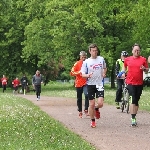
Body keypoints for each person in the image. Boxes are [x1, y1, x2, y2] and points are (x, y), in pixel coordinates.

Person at [120, 43, 148, 126]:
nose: (137, 51)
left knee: (136, 101)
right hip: (130, 82)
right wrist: (123, 73)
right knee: (133, 98)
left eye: (138, 50)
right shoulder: (127, 59)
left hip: (139, 83)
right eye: (135, 50)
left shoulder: (143, 59)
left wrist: (144, 69)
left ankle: (134, 116)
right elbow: (124, 67)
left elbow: (147, 70)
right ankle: (132, 118)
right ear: (132, 51)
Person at [81, 44, 107, 128]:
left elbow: (105, 68)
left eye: (96, 51)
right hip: (90, 85)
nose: (95, 52)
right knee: (91, 104)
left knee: (100, 103)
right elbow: (82, 74)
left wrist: (104, 73)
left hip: (99, 83)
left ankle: (96, 108)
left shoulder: (101, 59)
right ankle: (92, 121)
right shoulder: (86, 62)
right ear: (90, 51)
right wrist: (88, 75)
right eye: (93, 51)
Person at [70, 51, 89, 118]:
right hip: (78, 83)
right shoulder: (77, 63)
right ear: (80, 57)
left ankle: (86, 109)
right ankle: (80, 111)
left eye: (85, 57)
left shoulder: (88, 63)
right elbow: (72, 72)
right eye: (82, 57)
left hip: (86, 82)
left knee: (87, 95)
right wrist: (79, 72)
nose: (83, 58)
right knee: (79, 98)